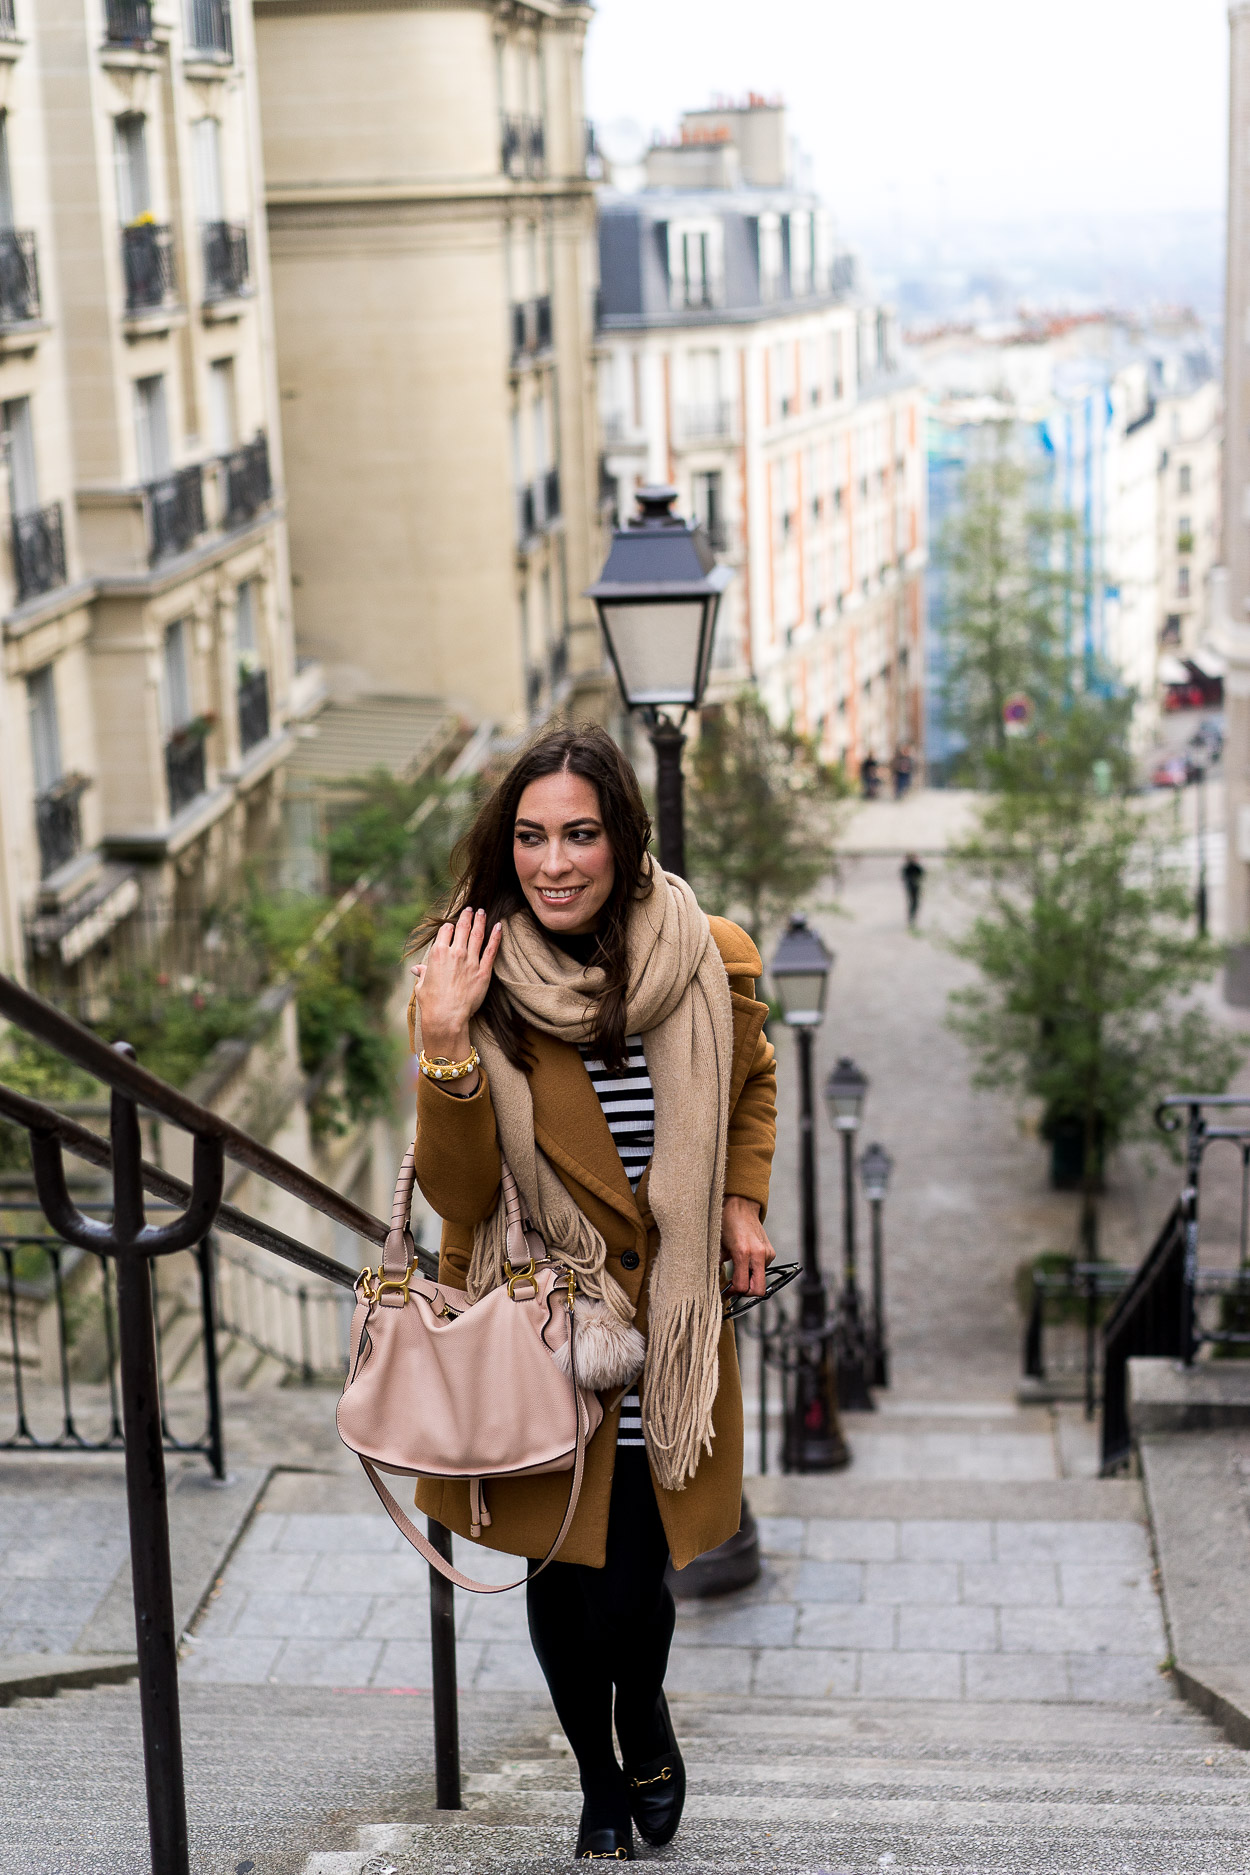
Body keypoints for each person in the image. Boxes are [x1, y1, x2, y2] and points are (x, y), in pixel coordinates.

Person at [407, 725, 777, 1862]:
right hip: (534, 1324)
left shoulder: (703, 953)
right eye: (529, 837)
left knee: (635, 1573)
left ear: (623, 838)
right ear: (502, 846)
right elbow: (458, 1195)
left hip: (663, 1318)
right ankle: (599, 1781)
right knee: (559, 1570)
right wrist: (442, 1044)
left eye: (579, 833)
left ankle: (647, 1718)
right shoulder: (467, 974)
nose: (553, 863)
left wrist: (738, 1199)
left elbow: (750, 1084)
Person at [901, 851, 925, 929]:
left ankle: (912, 918)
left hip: (914, 887)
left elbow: (922, 875)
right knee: (913, 903)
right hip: (912, 888)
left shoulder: (914, 867)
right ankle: (912, 918)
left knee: (914, 903)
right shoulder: (909, 868)